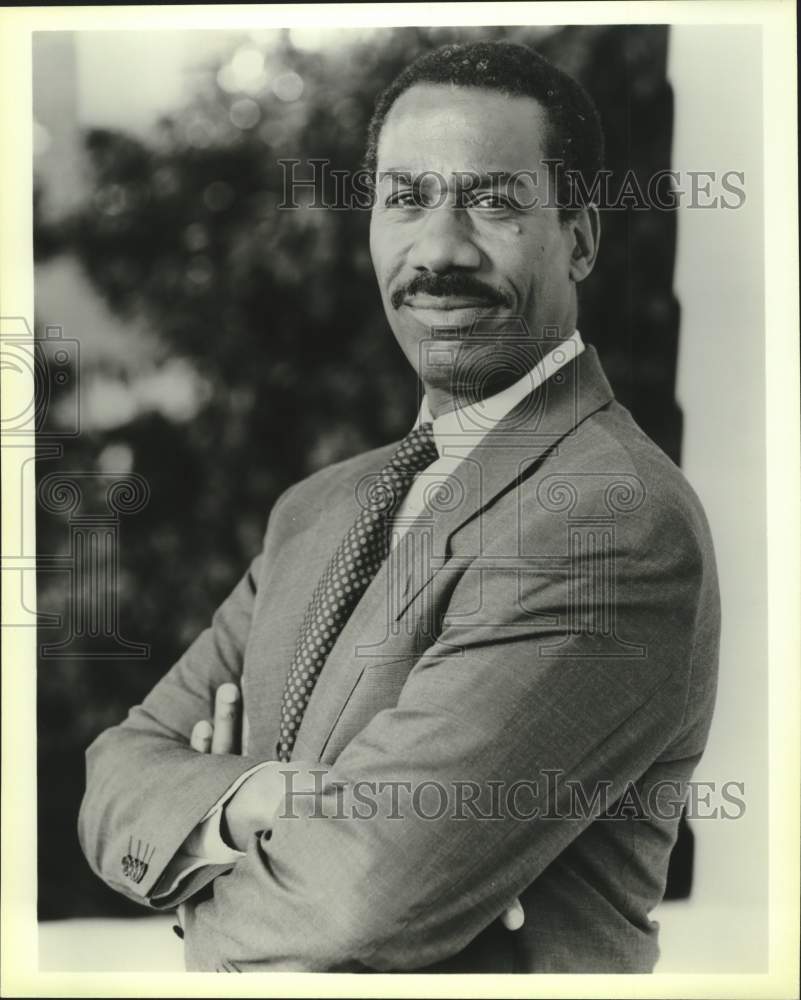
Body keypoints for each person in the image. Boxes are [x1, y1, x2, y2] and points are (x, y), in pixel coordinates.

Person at [78, 40, 720, 973]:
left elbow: (362, 899)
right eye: (405, 198)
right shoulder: (316, 511)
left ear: (579, 237)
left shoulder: (608, 517)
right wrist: (258, 796)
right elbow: (114, 773)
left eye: (493, 201)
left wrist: (202, 843)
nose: (438, 250)